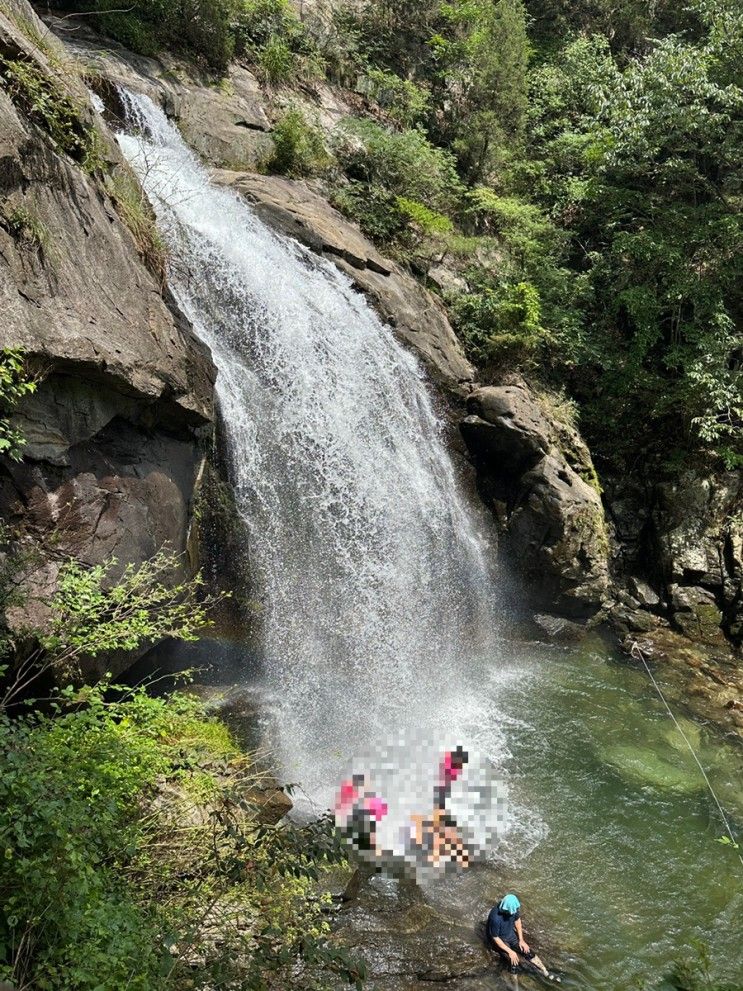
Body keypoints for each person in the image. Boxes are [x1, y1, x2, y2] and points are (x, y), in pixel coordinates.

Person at [486, 894, 556, 980]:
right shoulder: (495, 918)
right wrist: (510, 951)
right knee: (513, 962)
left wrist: (521, 940)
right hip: (500, 939)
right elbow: (495, 937)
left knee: (528, 952)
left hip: (510, 935)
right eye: (511, 912)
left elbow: (517, 920)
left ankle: (545, 972)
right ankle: (514, 984)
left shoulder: (513, 908)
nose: (513, 913)